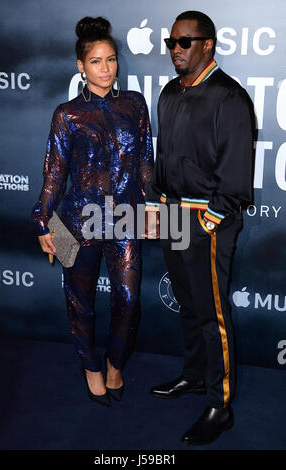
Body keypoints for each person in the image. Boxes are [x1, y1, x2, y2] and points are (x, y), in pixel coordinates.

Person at [31, 16, 153, 407]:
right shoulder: (66, 114)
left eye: (111, 59)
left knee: (129, 299)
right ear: (81, 67)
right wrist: (42, 220)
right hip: (74, 223)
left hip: (126, 219)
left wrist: (155, 204)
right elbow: (54, 172)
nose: (106, 68)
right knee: (79, 301)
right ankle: (91, 369)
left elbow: (146, 163)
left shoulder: (135, 103)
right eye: (96, 61)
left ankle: (116, 362)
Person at [145, 10, 254, 444]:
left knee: (213, 317)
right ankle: (192, 376)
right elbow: (165, 158)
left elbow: (236, 175)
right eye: (170, 42)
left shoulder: (230, 98)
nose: (176, 49)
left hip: (206, 221)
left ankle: (218, 405)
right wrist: (159, 205)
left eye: (184, 41)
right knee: (187, 306)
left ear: (208, 44)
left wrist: (208, 221)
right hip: (173, 214)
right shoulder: (169, 92)